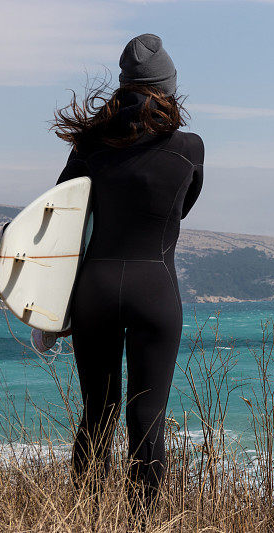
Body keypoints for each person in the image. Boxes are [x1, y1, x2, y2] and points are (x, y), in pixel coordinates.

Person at [51, 33, 204, 510]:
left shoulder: (89, 147)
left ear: (122, 87)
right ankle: (142, 523)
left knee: (97, 412)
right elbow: (183, 208)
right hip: (154, 289)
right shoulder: (190, 149)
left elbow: (60, 211)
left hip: (93, 290)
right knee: (148, 416)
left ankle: (87, 518)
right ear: (169, 87)